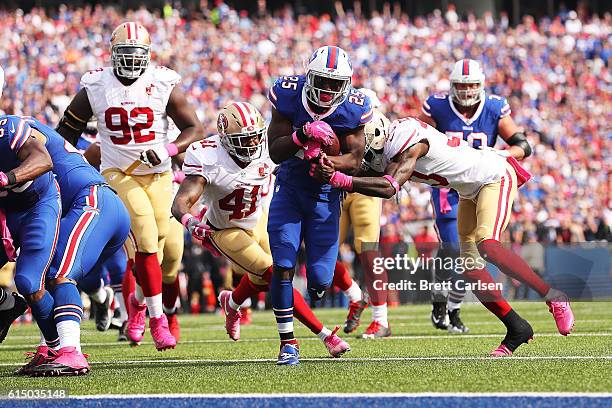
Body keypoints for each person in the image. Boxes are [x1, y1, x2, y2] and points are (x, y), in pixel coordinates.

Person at [315, 116, 574, 356]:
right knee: (471, 268)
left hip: (494, 176)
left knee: (488, 244)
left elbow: (389, 186)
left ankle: (554, 296)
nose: (363, 155)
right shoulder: (392, 143)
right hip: (469, 190)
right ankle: (517, 328)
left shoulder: (409, 140)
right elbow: (364, 172)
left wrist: (340, 179)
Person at [56, 22, 203, 350]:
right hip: (118, 172)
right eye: (125, 54)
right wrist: (68, 163)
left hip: (160, 174)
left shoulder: (163, 81)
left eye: (137, 55)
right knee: (147, 240)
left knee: (160, 246)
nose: (132, 61)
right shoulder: (96, 85)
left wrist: (168, 149)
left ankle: (136, 304)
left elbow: (195, 127)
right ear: (112, 55)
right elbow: (64, 131)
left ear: (148, 56)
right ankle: (156, 319)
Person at [172, 102, 350, 358]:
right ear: (225, 139)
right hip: (225, 229)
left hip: (258, 220)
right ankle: (321, 336)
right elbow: (181, 202)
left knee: (266, 276)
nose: (252, 145)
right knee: (275, 275)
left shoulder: (269, 147)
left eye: (255, 137)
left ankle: (231, 302)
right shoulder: (207, 155)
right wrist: (190, 221)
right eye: (244, 140)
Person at [266, 46, 372, 365]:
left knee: (320, 281)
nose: (327, 91)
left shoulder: (354, 108)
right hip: (290, 188)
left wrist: (330, 164)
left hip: (326, 196)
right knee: (283, 265)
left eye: (334, 84)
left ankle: (321, 290)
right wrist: (302, 135)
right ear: (308, 76)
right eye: (322, 81)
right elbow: (274, 150)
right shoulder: (287, 94)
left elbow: (356, 159)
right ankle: (288, 343)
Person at [418, 59, 532, 334]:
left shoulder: (494, 107)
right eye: (462, 85)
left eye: (472, 85)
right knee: (452, 248)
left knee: (475, 255)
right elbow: (416, 137)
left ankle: (454, 308)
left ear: (481, 86)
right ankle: (439, 299)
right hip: (447, 186)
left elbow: (523, 145)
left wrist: (501, 154)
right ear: (452, 86)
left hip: (481, 185)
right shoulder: (437, 106)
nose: (467, 91)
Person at [13, 118, 130, 376]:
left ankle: (71, 351)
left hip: (91, 200)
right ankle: (49, 348)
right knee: (41, 274)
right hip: (84, 204)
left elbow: (41, 157)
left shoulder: (18, 129)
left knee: (59, 273)